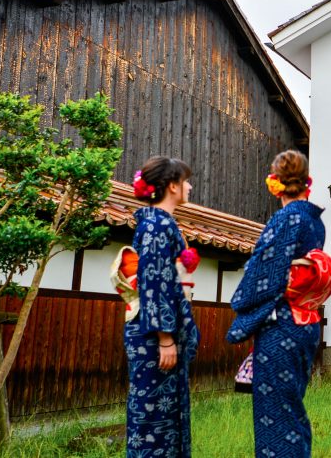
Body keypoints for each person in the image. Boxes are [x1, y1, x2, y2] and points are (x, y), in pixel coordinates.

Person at [227, 150, 326, 457]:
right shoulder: (314, 221)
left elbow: (264, 272)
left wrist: (240, 304)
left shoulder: (286, 218)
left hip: (281, 326)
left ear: (276, 182)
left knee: (276, 417)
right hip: (305, 323)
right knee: (291, 408)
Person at [126, 156, 201, 457]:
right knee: (153, 420)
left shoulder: (161, 223)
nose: (190, 186)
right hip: (154, 339)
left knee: (166, 416)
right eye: (185, 181)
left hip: (159, 335)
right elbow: (153, 283)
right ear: (172, 186)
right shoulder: (156, 225)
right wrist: (165, 338)